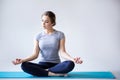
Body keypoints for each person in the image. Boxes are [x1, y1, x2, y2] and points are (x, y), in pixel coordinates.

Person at [12, 11, 83, 77]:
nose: (43, 23)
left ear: (52, 23)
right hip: (42, 65)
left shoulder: (60, 34)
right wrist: (22, 60)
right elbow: (35, 55)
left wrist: (73, 59)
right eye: (42, 21)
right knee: (24, 65)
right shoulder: (38, 36)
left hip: (56, 66)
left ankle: (44, 72)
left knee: (70, 64)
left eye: (46, 22)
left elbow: (62, 52)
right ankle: (53, 74)